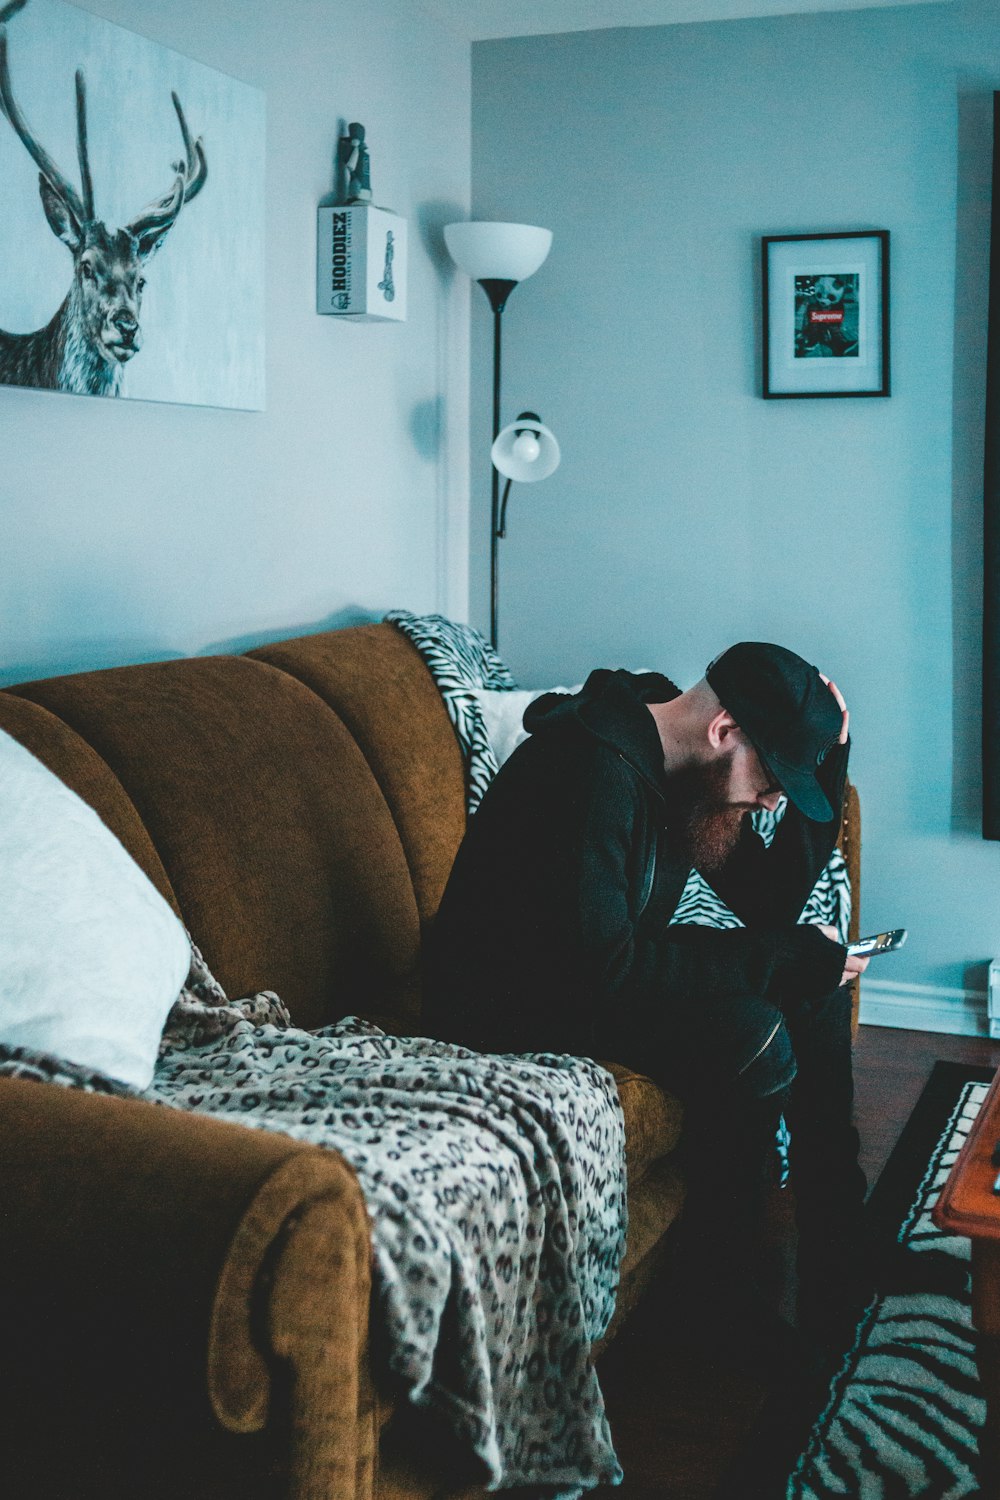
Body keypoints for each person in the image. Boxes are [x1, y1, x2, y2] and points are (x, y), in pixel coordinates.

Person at [423, 642, 872, 1359]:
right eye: (775, 777)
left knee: (807, 986)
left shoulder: (678, 765)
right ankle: (713, 1306)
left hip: (588, 972)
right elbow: (602, 972)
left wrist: (829, 759)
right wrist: (781, 961)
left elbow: (767, 903)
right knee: (750, 1027)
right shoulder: (591, 771)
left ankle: (841, 1249)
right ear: (725, 731)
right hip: (501, 1009)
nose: (772, 800)